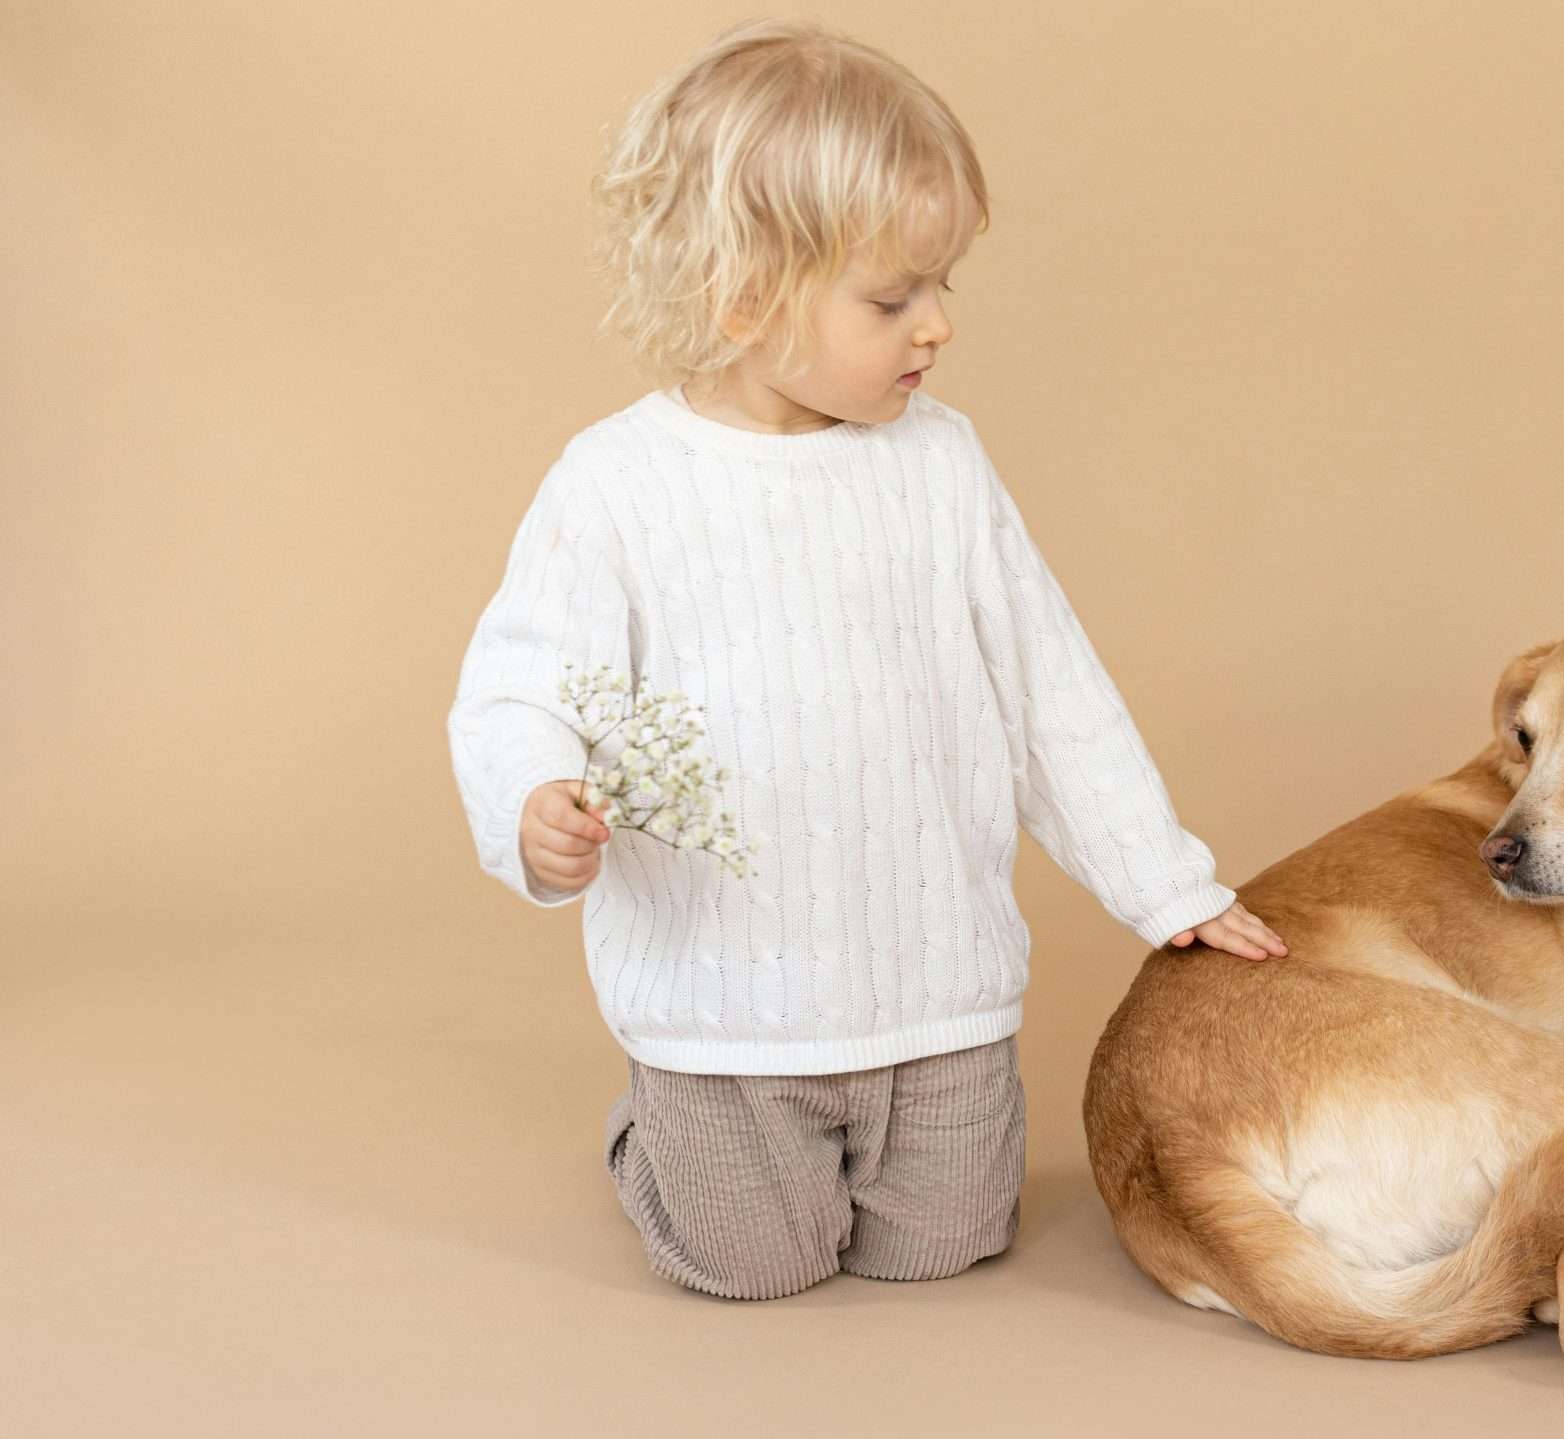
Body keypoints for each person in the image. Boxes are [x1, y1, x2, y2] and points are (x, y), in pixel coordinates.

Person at [446, 17, 1284, 1300]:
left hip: (935, 984)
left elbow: (1046, 688)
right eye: (892, 298)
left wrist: (1167, 886)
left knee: (947, 1245)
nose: (936, 326)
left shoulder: (940, 464)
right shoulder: (616, 483)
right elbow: (522, 680)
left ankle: (876, 1134)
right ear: (741, 298)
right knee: (749, 1264)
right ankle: (658, 1134)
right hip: (725, 1007)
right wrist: (528, 805)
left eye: (944, 285)